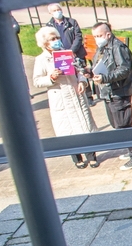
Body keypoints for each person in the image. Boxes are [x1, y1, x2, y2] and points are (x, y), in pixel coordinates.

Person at [32, 26, 99, 169]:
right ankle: (77, 158)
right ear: (45, 43)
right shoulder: (41, 60)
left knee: (84, 125)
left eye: (57, 38)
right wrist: (51, 77)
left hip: (76, 94)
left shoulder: (67, 54)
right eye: (52, 39)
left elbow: (79, 70)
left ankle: (91, 156)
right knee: (68, 130)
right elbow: (37, 81)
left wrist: (82, 81)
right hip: (60, 96)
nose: (56, 41)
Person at [88, 23, 132, 170]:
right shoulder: (103, 47)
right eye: (95, 37)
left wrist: (105, 78)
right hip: (108, 92)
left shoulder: (118, 47)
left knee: (124, 124)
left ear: (108, 34)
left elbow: (124, 70)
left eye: (99, 36)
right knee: (116, 124)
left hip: (119, 91)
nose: (97, 39)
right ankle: (131, 148)